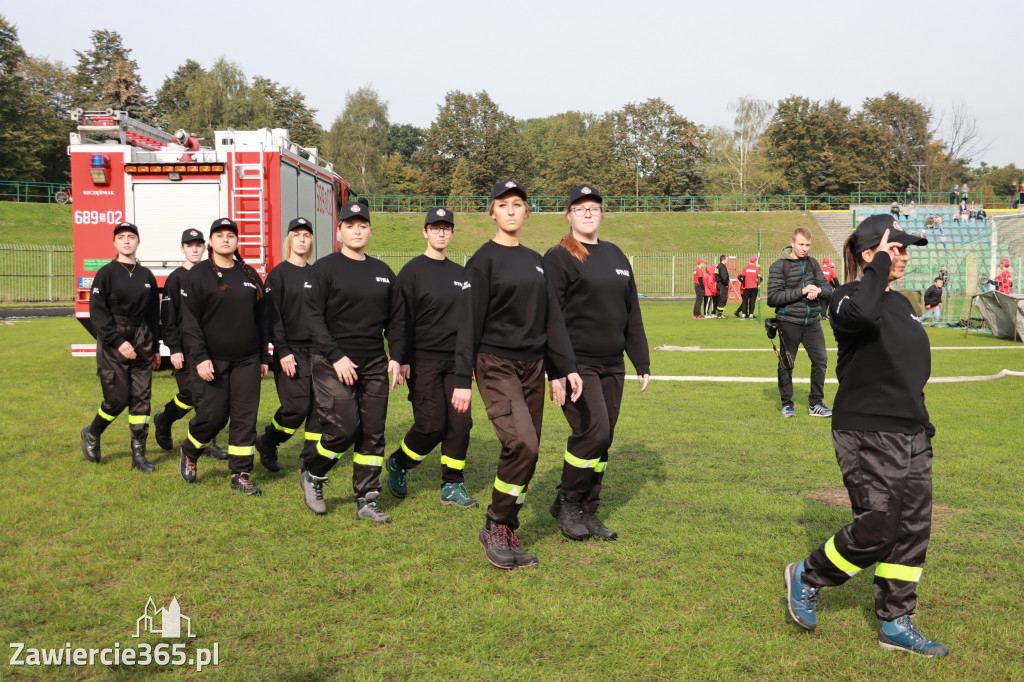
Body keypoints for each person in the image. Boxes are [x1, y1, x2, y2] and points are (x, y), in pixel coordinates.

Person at [784, 215, 949, 658]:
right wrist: (875, 265)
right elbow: (861, 313)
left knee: (911, 529)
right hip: (866, 430)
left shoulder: (902, 305)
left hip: (911, 430)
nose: (906, 256)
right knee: (878, 527)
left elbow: (906, 371)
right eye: (898, 248)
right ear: (870, 254)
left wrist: (922, 422)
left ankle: (895, 622)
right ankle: (807, 575)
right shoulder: (846, 298)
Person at [452, 179, 582, 570]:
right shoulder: (482, 260)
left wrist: (565, 368)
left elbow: (552, 320)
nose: (511, 210)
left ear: (528, 212)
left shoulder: (536, 261)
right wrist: (462, 379)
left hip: (534, 367)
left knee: (530, 449)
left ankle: (507, 525)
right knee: (522, 443)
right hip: (495, 364)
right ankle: (495, 526)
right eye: (503, 204)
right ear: (492, 211)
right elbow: (468, 323)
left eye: (518, 204)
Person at [543, 185, 651, 541]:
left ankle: (589, 509)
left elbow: (631, 312)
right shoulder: (559, 257)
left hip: (612, 363)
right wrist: (558, 369)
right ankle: (568, 503)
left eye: (594, 208)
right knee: (593, 432)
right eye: (580, 208)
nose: (588, 213)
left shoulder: (616, 255)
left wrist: (641, 361)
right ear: (569, 215)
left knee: (603, 439)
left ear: (601, 213)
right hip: (577, 364)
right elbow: (550, 317)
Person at [300, 202, 406, 519]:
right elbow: (312, 318)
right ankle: (314, 474)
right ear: (339, 231)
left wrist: (397, 356)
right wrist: (337, 357)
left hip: (374, 362)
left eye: (362, 225)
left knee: (373, 432)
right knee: (344, 430)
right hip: (332, 361)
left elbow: (398, 320)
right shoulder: (324, 269)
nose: (356, 230)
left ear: (370, 231)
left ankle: (367, 499)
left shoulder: (383, 273)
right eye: (350, 225)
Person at [386, 207, 477, 509]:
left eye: (446, 228)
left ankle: (453, 484)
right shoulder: (411, 272)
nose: (441, 232)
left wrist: (470, 362)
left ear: (451, 233)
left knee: (460, 424)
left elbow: (469, 322)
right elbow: (400, 321)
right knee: (432, 425)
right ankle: (399, 462)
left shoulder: (460, 274)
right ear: (424, 232)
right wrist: (399, 358)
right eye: (435, 228)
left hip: (455, 362)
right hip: (422, 361)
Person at [179, 218, 269, 495]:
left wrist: (264, 356)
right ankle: (191, 450)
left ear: (237, 241)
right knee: (213, 415)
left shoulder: (250, 274)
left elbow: (262, 319)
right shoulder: (198, 275)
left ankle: (241, 473)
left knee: (245, 417)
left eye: (231, 235)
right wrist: (201, 357)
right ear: (211, 242)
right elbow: (189, 322)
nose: (226, 240)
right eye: (220, 235)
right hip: (211, 360)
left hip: (247, 360)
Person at [80, 221, 161, 472]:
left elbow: (152, 314)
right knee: (117, 398)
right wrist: (118, 341)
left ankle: (139, 455)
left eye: (131, 237)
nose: (127, 241)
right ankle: (92, 433)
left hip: (143, 337)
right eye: (122, 237)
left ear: (138, 241)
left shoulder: (146, 275)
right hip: (114, 337)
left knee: (141, 399)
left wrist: (156, 347)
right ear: (114, 243)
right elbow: (97, 313)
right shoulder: (106, 273)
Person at [152, 229, 228, 461]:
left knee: (209, 395)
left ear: (205, 247)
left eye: (198, 245)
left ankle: (207, 442)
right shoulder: (176, 278)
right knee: (191, 393)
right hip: (185, 347)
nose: (194, 249)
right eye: (189, 245)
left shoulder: (212, 274)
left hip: (211, 347)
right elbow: (169, 316)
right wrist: (174, 348)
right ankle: (164, 419)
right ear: (182, 248)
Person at [254, 217, 321, 474]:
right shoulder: (278, 274)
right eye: (297, 235)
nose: (302, 239)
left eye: (306, 235)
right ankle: (268, 441)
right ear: (289, 240)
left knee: (319, 407)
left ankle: (310, 460)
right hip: (290, 351)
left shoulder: (316, 273)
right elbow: (272, 316)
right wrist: (282, 350)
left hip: (318, 351)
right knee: (296, 407)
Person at [767, 227, 833, 418]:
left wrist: (818, 291)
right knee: (787, 364)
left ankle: (816, 404)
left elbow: (828, 290)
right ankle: (787, 404)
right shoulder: (779, 266)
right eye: (801, 244)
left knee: (821, 361)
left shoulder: (813, 263)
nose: (804, 248)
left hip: (812, 321)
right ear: (793, 243)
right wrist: (802, 291)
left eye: (807, 245)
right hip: (788, 322)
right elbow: (773, 298)